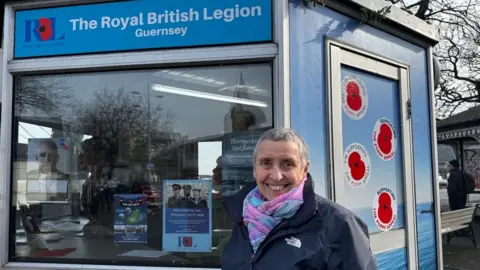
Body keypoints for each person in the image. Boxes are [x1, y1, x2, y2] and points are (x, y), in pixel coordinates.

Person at [221, 128, 376, 269]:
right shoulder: (243, 217)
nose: (276, 176)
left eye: (287, 164)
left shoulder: (339, 224)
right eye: (266, 163)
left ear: (305, 169)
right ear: (255, 169)